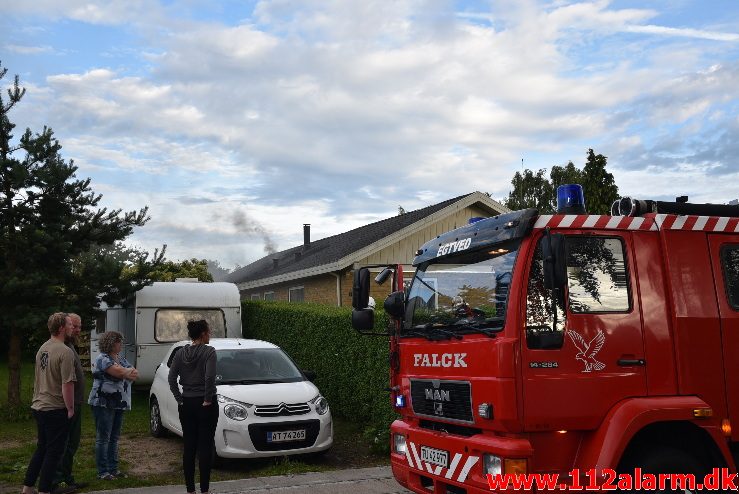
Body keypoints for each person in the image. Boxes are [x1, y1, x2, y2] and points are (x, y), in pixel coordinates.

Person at [22, 312, 76, 494]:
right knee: (53, 453)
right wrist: (70, 409)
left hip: (39, 406)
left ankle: (27, 488)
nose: (72, 327)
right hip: (55, 408)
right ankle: (44, 490)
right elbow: (67, 384)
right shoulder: (65, 352)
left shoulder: (43, 348)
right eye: (69, 324)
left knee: (42, 449)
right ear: (61, 328)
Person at [168, 319, 218, 494]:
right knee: (205, 446)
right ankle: (205, 490)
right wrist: (207, 399)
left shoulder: (180, 353)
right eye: (209, 332)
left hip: (187, 403)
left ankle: (190, 490)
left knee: (189, 446)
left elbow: (171, 378)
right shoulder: (209, 352)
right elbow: (210, 377)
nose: (210, 335)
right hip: (206, 403)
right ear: (203, 334)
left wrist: (179, 399)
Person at [88, 331, 138, 481]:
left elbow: (135, 373)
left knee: (114, 437)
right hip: (103, 403)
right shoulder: (102, 358)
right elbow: (119, 372)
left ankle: (113, 469)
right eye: (118, 341)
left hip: (118, 403)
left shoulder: (120, 358)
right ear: (111, 343)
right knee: (103, 437)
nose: (121, 344)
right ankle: (103, 472)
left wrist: (126, 372)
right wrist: (125, 372)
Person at [51, 313, 87, 493]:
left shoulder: (70, 345)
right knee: (63, 443)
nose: (77, 330)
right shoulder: (61, 347)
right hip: (66, 404)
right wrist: (69, 405)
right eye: (75, 326)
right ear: (65, 327)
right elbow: (64, 380)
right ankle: (55, 481)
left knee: (72, 443)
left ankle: (67, 477)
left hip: (76, 402)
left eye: (79, 326)